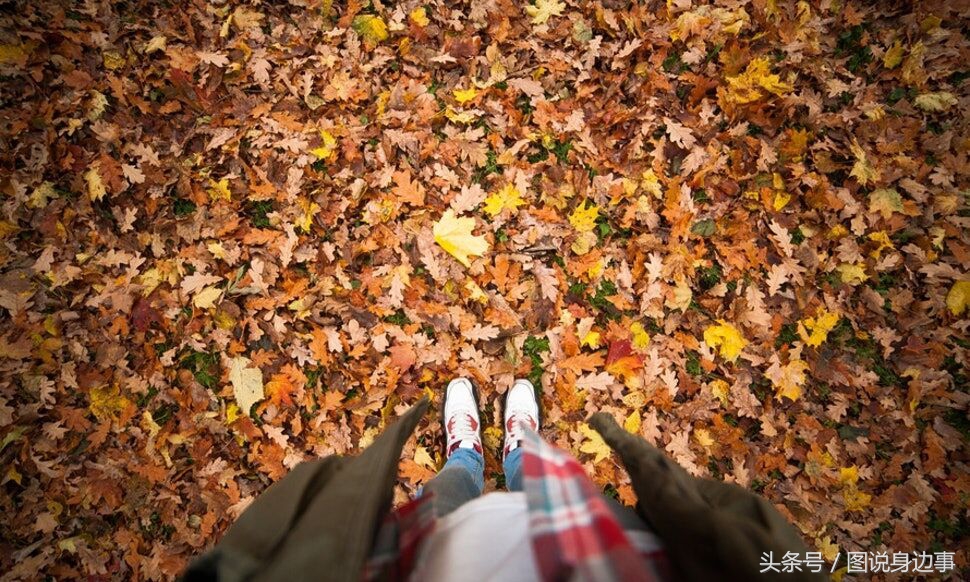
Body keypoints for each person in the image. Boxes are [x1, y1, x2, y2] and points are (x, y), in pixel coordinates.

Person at [182, 378, 823, 582]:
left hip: (420, 557)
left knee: (448, 491)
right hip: (610, 549)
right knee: (528, 473)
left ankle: (470, 456)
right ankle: (514, 449)